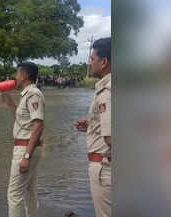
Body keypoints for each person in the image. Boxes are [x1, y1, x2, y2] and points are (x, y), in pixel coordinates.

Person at [73, 37, 111, 217]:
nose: (90, 63)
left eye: (92, 59)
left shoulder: (107, 91)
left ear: (104, 62)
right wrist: (92, 124)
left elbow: (111, 136)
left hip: (105, 168)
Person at [2, 62, 45, 217]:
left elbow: (38, 125)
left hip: (26, 148)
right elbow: (22, 120)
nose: (15, 77)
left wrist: (26, 156)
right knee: (29, 191)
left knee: (14, 194)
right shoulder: (28, 94)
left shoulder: (33, 94)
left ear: (24, 76)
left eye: (17, 74)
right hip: (29, 147)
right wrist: (7, 98)